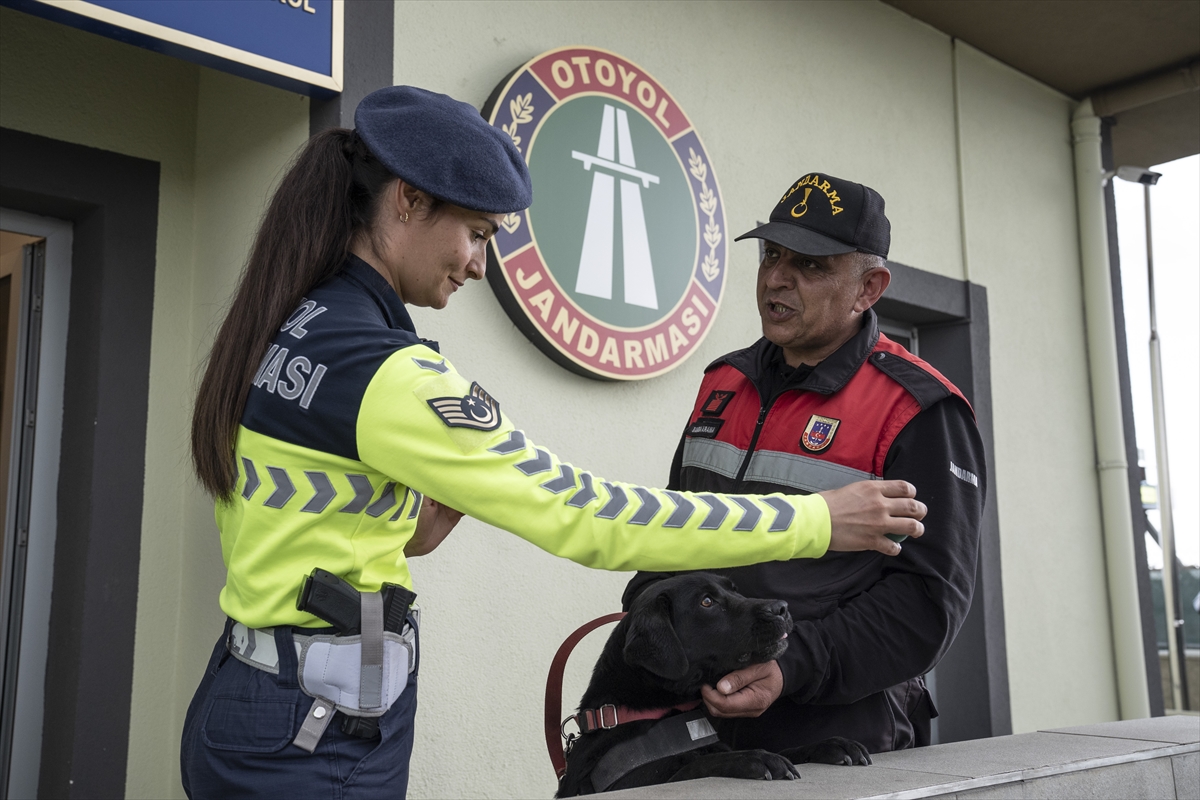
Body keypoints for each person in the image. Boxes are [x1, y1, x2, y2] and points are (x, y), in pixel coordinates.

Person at [179, 91, 927, 800]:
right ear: (406, 200)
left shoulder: (297, 326)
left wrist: (405, 526)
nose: (478, 263)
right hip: (316, 730)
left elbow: (303, 518)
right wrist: (819, 520)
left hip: (256, 700)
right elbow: (594, 518)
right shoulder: (386, 372)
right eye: (476, 233)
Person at [624, 172, 987, 755]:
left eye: (811, 265)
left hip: (836, 726)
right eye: (771, 254)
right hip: (698, 717)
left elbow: (927, 602)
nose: (775, 278)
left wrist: (790, 665)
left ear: (869, 287)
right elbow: (673, 530)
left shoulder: (918, 407)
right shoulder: (725, 381)